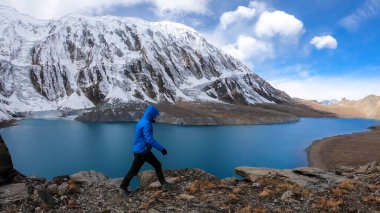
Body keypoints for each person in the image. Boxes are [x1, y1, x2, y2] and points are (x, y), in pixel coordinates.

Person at [120, 105, 169, 196]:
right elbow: (149, 139)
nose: (155, 117)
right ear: (151, 115)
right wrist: (162, 149)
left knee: (157, 164)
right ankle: (123, 187)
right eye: (154, 115)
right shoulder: (146, 124)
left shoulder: (142, 121)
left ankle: (163, 184)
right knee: (134, 171)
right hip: (141, 152)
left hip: (144, 151)